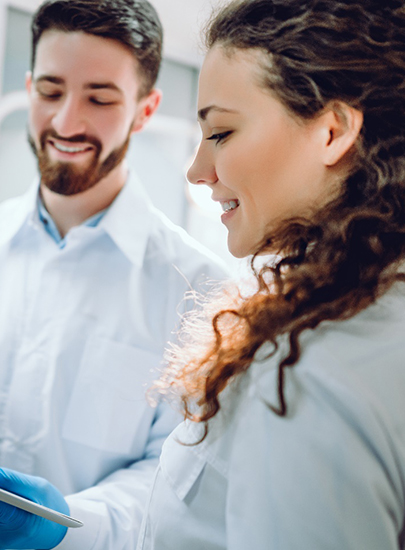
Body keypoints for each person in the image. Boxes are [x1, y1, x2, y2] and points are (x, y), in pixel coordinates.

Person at [135, 0, 405, 549]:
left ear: (332, 132)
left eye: (222, 133)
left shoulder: (308, 373)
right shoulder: (371, 314)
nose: (197, 171)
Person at [0, 0, 228, 549]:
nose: (65, 123)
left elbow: (174, 483)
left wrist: (55, 524)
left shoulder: (202, 292)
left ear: (145, 110)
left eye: (99, 98)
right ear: (30, 86)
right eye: (51, 92)